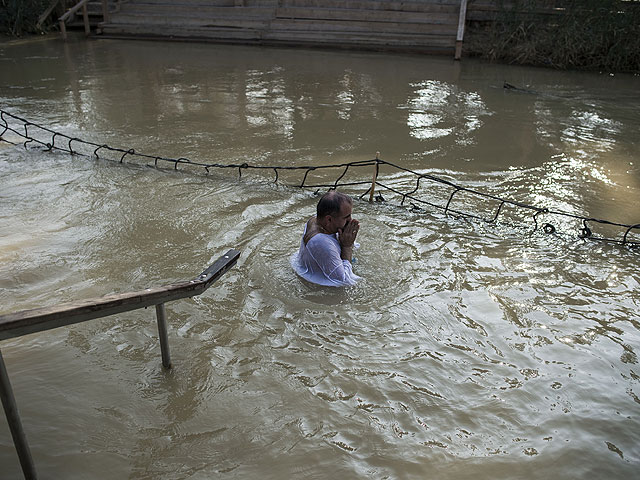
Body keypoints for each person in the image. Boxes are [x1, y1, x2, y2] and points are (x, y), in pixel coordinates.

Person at [291, 190, 361, 287]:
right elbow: (344, 280)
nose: (350, 220)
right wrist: (347, 246)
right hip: (317, 287)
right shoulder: (321, 242)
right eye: (346, 217)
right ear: (328, 219)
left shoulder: (316, 219)